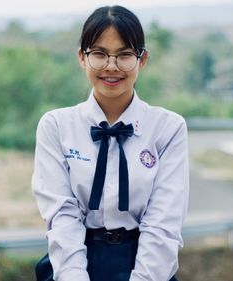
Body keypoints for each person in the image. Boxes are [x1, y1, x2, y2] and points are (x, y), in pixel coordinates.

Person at [32, 5, 189, 281]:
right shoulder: (56, 126)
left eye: (125, 55)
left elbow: (163, 223)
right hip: (72, 264)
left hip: (146, 265)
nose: (111, 66)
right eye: (100, 54)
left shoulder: (168, 128)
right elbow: (62, 218)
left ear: (142, 60)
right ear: (82, 57)